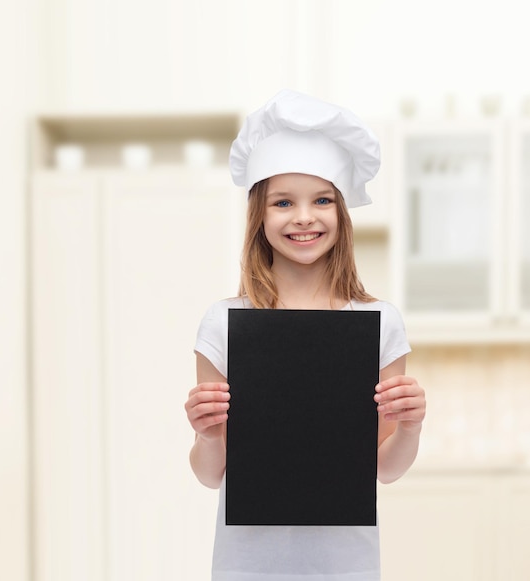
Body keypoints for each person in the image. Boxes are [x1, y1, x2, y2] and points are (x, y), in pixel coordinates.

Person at [184, 89, 426, 581]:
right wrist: (206, 434)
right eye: (283, 202)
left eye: (321, 199)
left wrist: (411, 425)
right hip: (247, 563)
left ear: (341, 213)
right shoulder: (223, 322)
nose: (303, 217)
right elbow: (211, 475)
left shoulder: (379, 321)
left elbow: (384, 469)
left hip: (344, 563)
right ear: (260, 215)